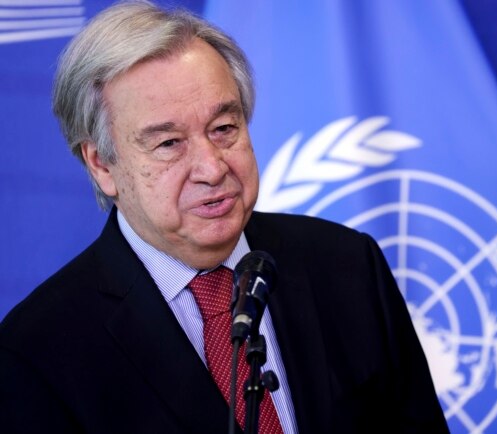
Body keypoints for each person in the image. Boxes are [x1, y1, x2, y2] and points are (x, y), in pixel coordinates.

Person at [0, 1, 449, 433]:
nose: (213, 167)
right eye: (169, 143)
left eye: (224, 129)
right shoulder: (39, 350)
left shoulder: (349, 265)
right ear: (102, 165)